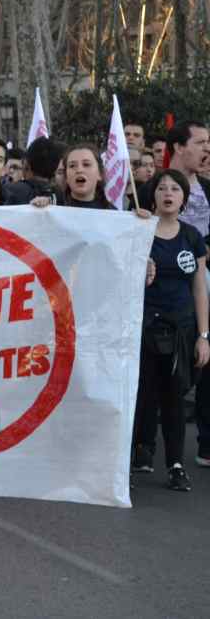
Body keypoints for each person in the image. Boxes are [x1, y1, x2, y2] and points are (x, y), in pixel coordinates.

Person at [133, 169, 209, 491]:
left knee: (175, 398)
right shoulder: (139, 229)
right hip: (144, 326)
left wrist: (204, 335)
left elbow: (199, 289)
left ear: (183, 198)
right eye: (162, 188)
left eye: (175, 189)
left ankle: (176, 463)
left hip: (181, 328)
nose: (168, 193)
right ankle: (140, 453)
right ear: (152, 195)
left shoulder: (192, 237)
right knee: (143, 394)